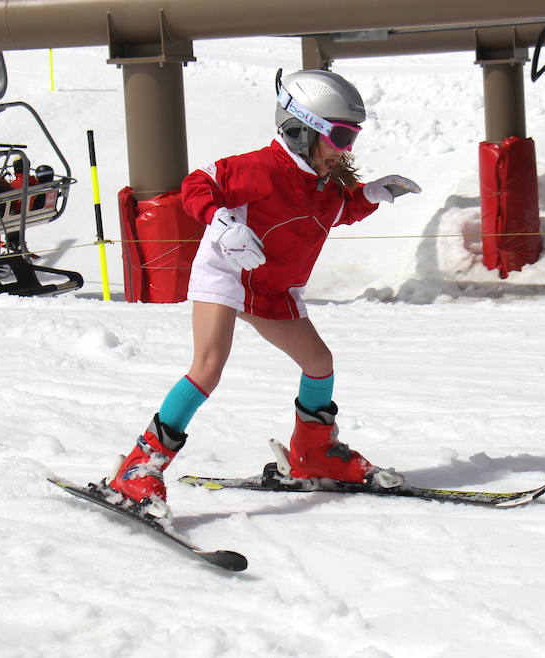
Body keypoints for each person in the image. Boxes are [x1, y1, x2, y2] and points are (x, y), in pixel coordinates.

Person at [104, 69, 421, 518]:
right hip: (227, 274)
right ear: (302, 129)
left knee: (319, 363)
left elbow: (337, 211)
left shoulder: (322, 185)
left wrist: (371, 194)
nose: (347, 148)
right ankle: (138, 468)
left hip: (272, 288)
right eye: (341, 135)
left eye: (352, 136)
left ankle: (314, 454)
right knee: (208, 368)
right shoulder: (258, 169)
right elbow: (197, 185)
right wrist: (222, 222)